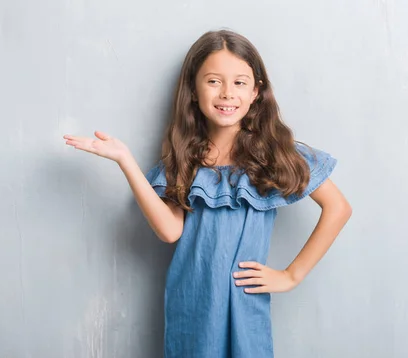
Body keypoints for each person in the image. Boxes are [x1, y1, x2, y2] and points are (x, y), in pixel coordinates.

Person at [63, 29, 352, 358]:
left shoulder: (276, 153)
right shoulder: (184, 159)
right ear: (194, 91)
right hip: (192, 305)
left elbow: (338, 208)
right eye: (214, 81)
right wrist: (125, 161)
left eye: (240, 83)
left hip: (246, 304)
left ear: (256, 92)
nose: (227, 93)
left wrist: (291, 275)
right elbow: (170, 230)